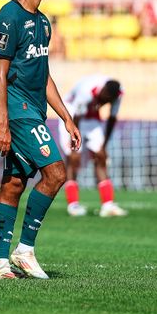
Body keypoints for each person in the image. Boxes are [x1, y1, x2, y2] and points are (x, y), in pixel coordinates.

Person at [0, 0, 81, 280]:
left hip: (35, 109)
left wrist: (66, 117)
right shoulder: (8, 17)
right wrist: (3, 123)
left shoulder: (42, 22)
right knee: (56, 174)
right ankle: (24, 249)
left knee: (14, 183)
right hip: (18, 113)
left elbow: (43, 74)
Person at [58, 76, 127, 217]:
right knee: (74, 158)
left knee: (101, 156)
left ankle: (107, 205)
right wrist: (74, 141)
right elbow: (76, 116)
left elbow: (112, 118)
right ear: (103, 92)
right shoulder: (86, 92)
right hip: (71, 115)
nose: (105, 103)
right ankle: (73, 205)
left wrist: (104, 145)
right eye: (104, 99)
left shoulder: (117, 94)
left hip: (92, 117)